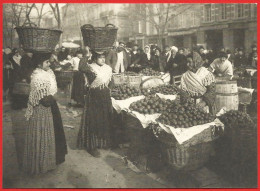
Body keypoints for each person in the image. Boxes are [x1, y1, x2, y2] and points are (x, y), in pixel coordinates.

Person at [23, 53, 67, 175]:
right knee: (43, 133)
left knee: (55, 131)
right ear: (39, 63)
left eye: (49, 61)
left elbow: (51, 90)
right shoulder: (38, 76)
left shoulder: (48, 72)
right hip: (42, 109)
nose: (49, 63)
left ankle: (55, 158)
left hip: (51, 106)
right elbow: (44, 99)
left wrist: (54, 96)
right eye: (47, 61)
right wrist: (55, 97)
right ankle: (41, 162)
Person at [77, 51, 113, 157]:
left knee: (104, 119)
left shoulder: (108, 68)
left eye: (104, 57)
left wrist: (109, 90)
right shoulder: (91, 68)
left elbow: (111, 82)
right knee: (93, 120)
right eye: (100, 57)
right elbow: (81, 67)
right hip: (94, 97)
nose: (102, 59)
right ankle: (91, 146)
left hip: (105, 96)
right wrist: (87, 54)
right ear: (95, 58)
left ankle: (102, 142)